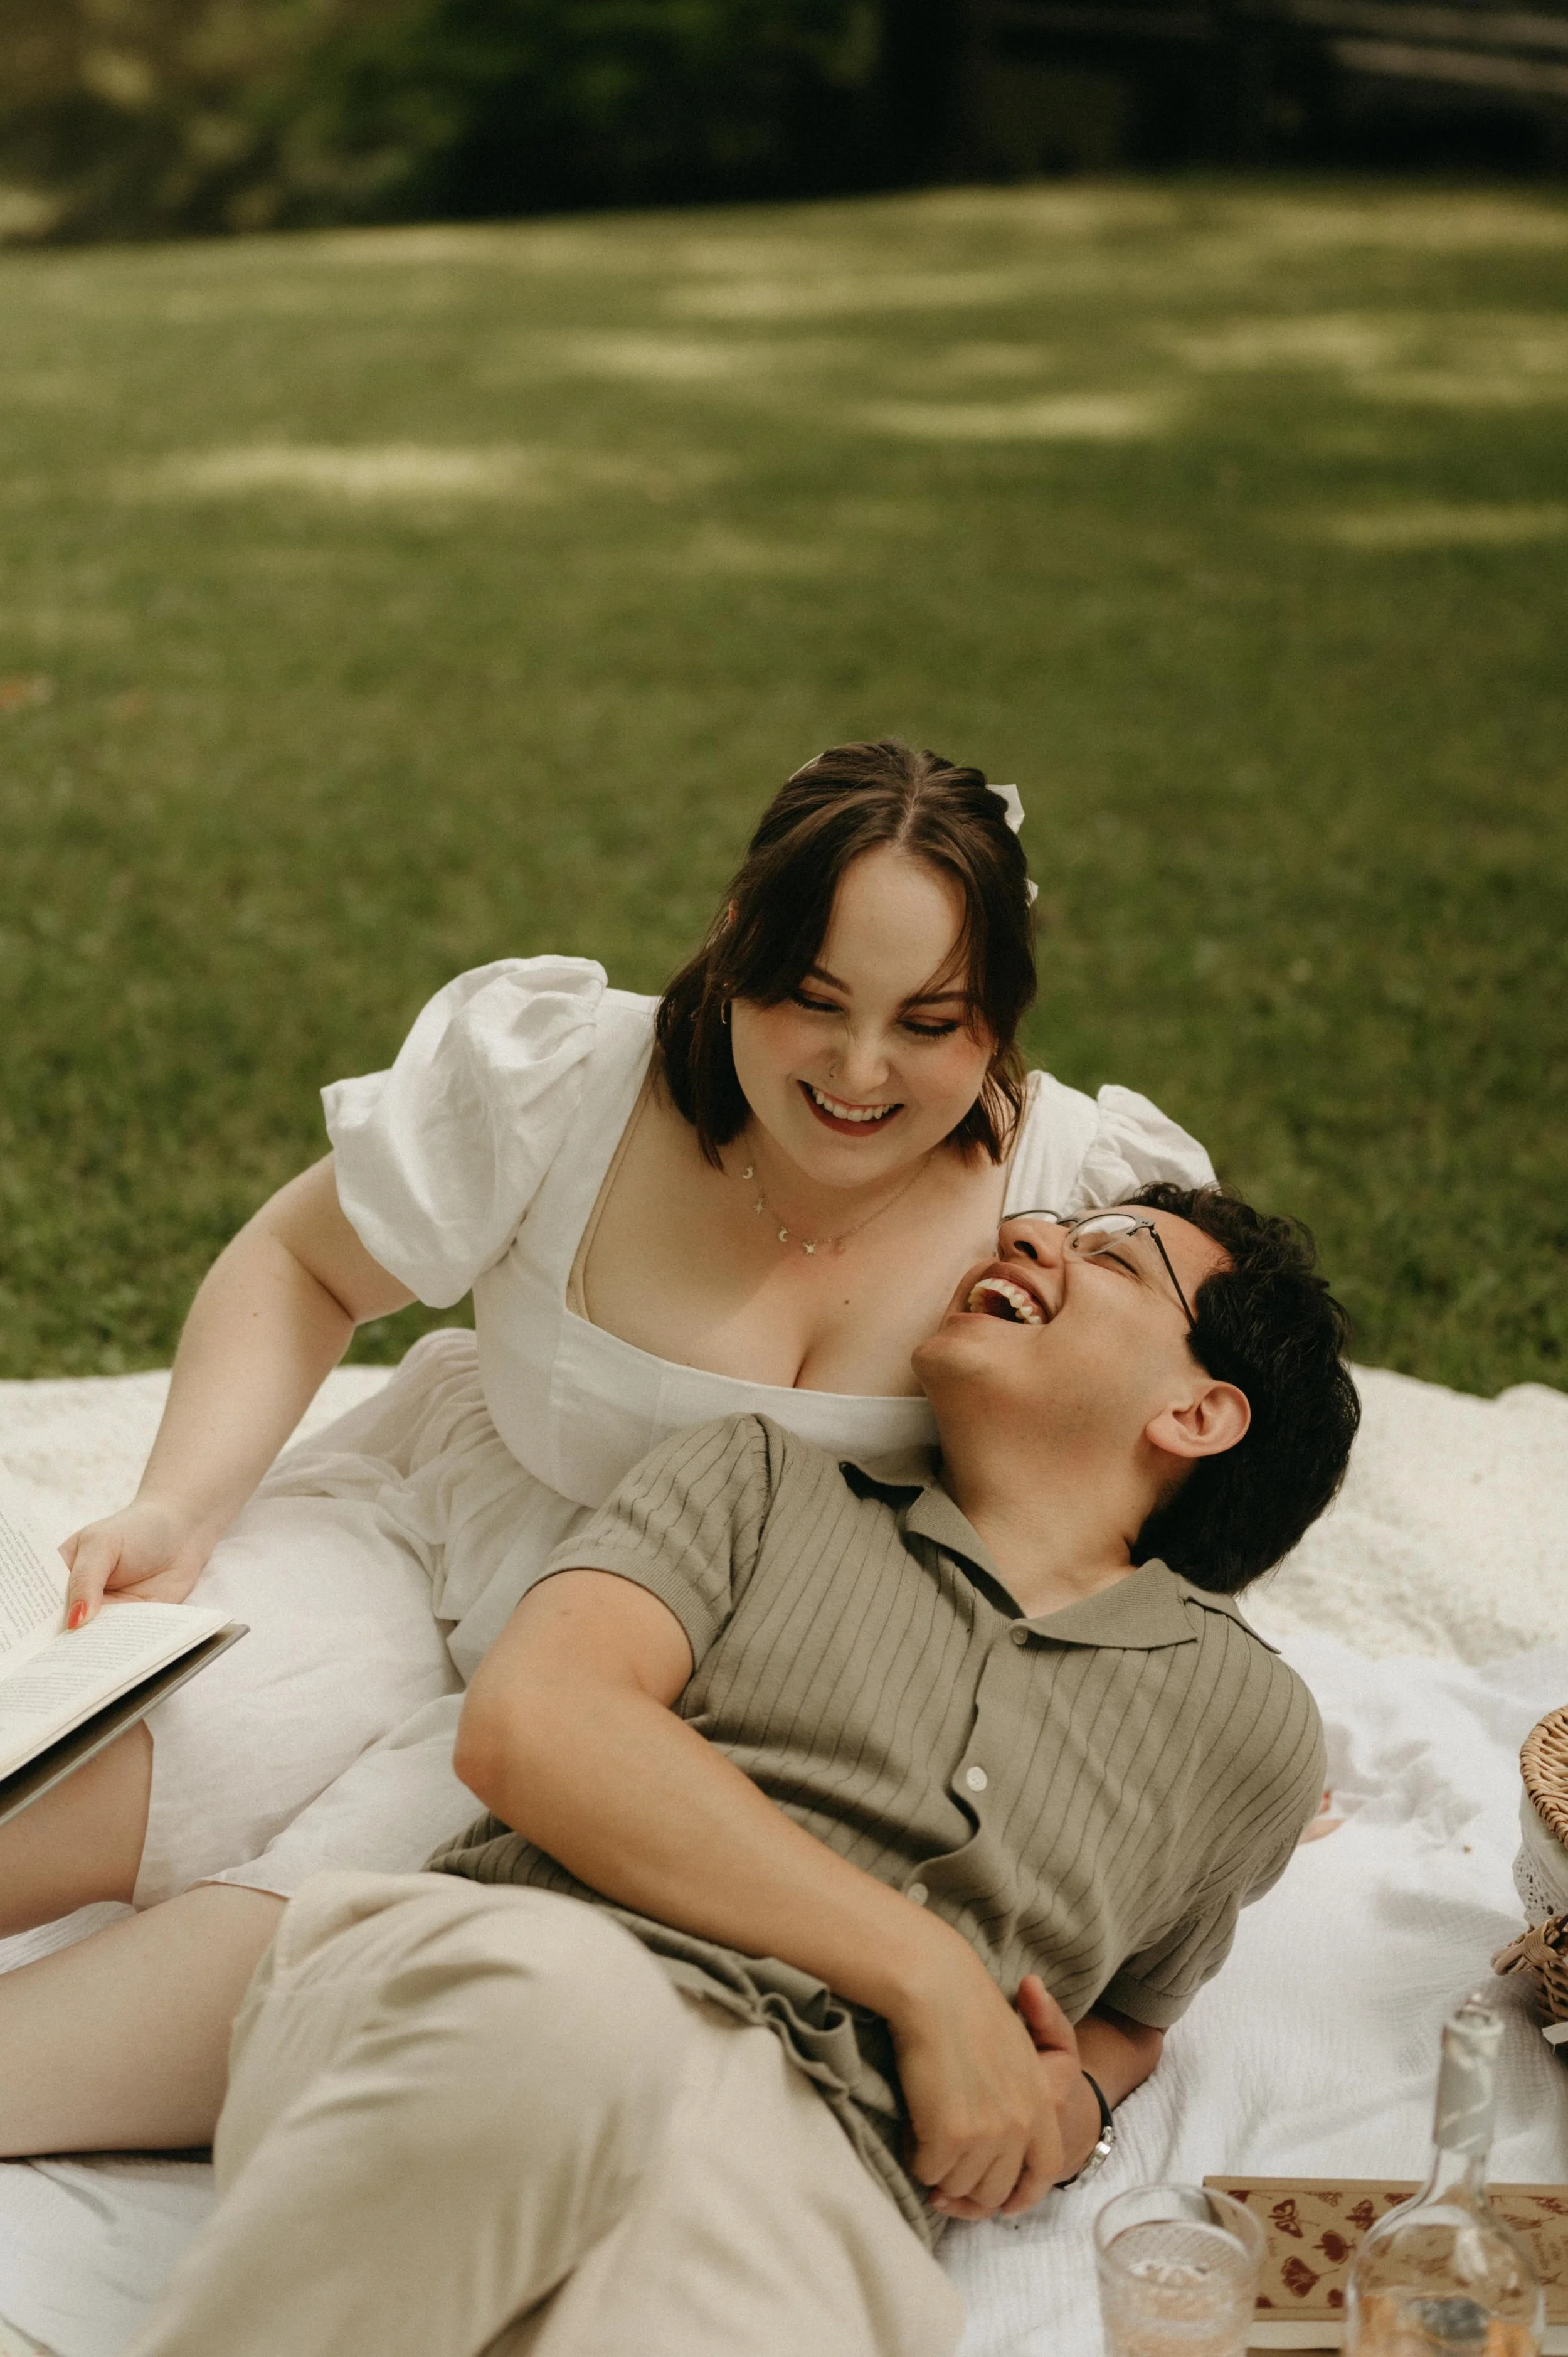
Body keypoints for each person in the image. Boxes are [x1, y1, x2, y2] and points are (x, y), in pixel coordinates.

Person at [0, 740, 1216, 2157]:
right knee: (129, 1752)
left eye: (929, 1024)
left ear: (1000, 1014)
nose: (859, 1071)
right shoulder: (569, 1075)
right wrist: (180, 1502)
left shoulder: (1078, 1209)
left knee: (293, 1949)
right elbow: (307, 1262)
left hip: (676, 1703)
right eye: (810, 1001)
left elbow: (1151, 1476)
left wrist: (1176, 1697)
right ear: (731, 947)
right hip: (443, 1525)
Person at [124, 1183, 1360, 2357]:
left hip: (819, 2170)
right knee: (569, 2025)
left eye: (1104, 1253)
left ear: (1196, 1415)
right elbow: (536, 1724)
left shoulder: (1246, 1728)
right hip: (514, 1980)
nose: (1031, 1235)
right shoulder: (758, 1480)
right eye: (1045, 1221)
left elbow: (1131, 2015)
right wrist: (926, 1975)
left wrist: (1066, 2116)